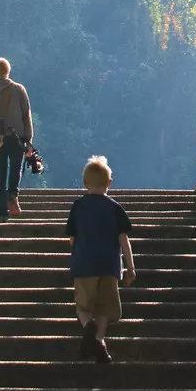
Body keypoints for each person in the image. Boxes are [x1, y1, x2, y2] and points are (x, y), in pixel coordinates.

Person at [65, 156, 135, 363]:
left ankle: (89, 327)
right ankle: (99, 340)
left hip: (84, 264)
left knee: (83, 307)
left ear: (85, 183)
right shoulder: (115, 208)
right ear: (109, 183)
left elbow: (72, 239)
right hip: (109, 266)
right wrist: (130, 268)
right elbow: (124, 239)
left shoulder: (78, 207)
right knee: (106, 308)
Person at [0, 56, 34, 222]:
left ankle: (2, 212)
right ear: (8, 71)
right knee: (16, 167)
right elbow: (26, 116)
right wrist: (29, 140)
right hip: (17, 136)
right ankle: (12, 194)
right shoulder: (18, 89)